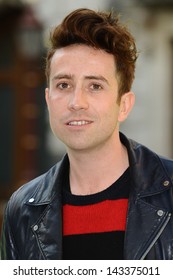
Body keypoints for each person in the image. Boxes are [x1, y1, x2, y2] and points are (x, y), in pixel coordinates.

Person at [1, 8, 173, 260]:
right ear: (48, 100)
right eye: (63, 85)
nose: (76, 102)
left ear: (124, 105)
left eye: (95, 86)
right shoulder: (23, 209)